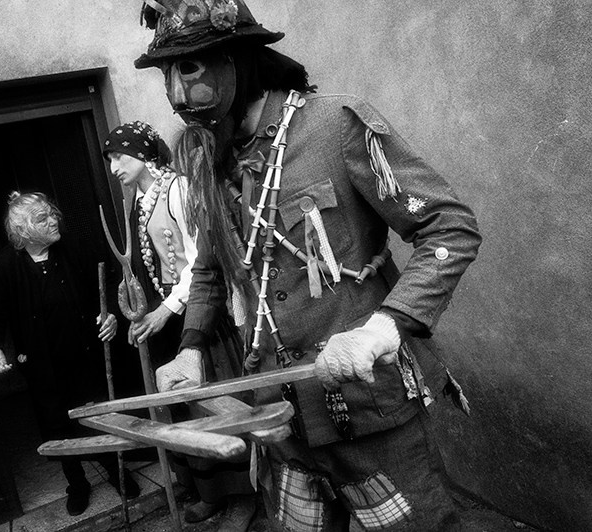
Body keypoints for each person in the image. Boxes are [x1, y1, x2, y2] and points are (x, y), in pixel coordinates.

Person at [134, 1, 482, 531]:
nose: (178, 94)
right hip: (279, 420)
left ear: (237, 60)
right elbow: (208, 269)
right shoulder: (207, 157)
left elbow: (449, 228)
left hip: (368, 411)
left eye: (190, 68)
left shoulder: (335, 125)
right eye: (167, 73)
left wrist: (383, 328)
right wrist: (190, 347)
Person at [102, 120, 257, 530]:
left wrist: (166, 309)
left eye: (119, 156)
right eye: (109, 160)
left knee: (213, 406)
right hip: (167, 317)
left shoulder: (180, 189)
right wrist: (137, 309)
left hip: (200, 315)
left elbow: (199, 262)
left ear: (143, 153)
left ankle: (243, 497)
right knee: (183, 411)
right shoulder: (136, 202)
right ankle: (209, 493)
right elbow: (149, 265)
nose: (113, 166)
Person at [0, 191, 140, 516]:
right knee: (57, 427)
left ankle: (117, 472)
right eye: (42, 218)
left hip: (85, 355)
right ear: (22, 231)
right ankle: (76, 483)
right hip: (41, 366)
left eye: (52, 214)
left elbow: (104, 289)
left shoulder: (73, 249)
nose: (53, 221)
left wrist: (110, 318)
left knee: (98, 418)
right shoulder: (4, 266)